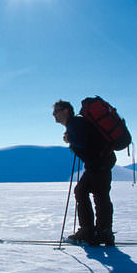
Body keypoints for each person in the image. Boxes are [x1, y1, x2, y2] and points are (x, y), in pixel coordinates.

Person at [53, 99, 117, 245]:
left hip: (98, 163)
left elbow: (82, 142)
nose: (54, 115)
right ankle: (101, 231)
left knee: (88, 193)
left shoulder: (74, 123)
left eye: (56, 111)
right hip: (102, 162)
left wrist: (70, 138)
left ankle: (91, 231)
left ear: (65, 111)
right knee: (95, 194)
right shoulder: (77, 123)